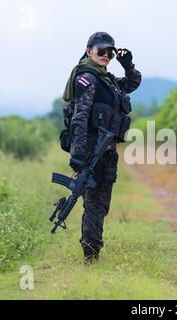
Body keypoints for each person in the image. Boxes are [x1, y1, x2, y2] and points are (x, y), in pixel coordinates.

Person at [62, 31, 141, 264]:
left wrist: (128, 65)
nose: (106, 55)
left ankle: (92, 252)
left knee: (101, 204)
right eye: (101, 51)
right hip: (91, 150)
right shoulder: (86, 77)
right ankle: (90, 256)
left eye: (110, 52)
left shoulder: (106, 79)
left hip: (106, 150)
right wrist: (78, 156)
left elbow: (131, 84)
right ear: (89, 51)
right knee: (95, 204)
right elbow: (80, 116)